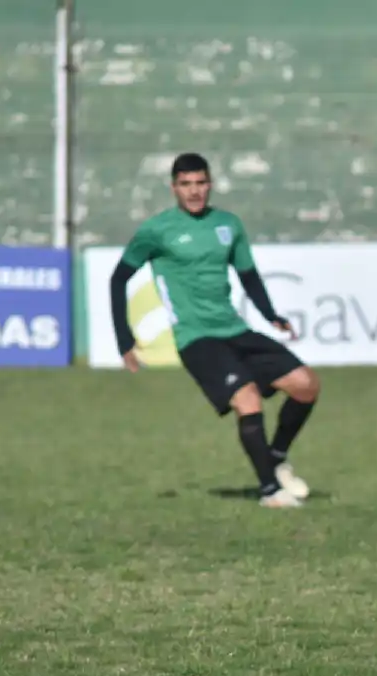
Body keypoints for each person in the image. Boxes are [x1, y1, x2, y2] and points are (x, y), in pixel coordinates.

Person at [110, 152, 320, 509]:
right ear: (174, 187)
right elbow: (119, 279)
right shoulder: (157, 231)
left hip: (234, 329)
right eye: (186, 184)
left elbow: (248, 275)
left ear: (210, 184)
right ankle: (270, 491)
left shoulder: (228, 225)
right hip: (196, 338)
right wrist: (124, 340)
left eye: (200, 183)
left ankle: (276, 456)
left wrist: (270, 315)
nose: (194, 191)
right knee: (247, 399)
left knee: (305, 386)